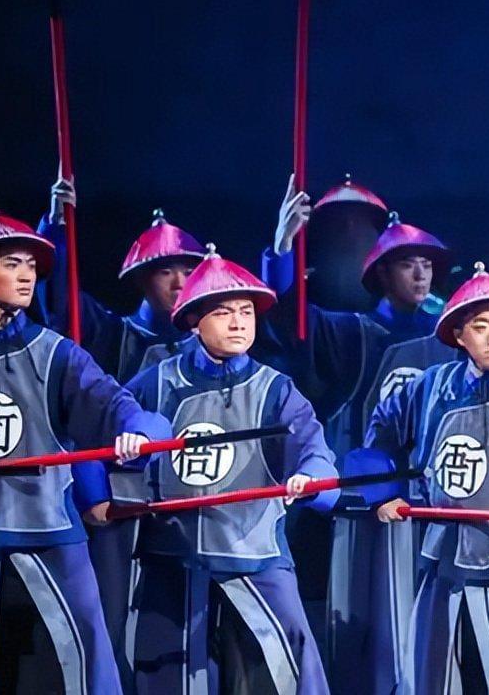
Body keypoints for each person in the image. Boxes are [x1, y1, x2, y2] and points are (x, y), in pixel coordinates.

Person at [0, 205, 167, 693]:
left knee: (88, 652)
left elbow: (115, 405)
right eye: (11, 264)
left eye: (30, 265)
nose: (26, 276)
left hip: (46, 521)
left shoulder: (56, 352)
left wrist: (139, 433)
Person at [266, 178, 456, 694]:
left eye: (427, 264)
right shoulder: (352, 331)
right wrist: (283, 249)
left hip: (430, 500)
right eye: (407, 263)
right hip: (363, 503)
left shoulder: (449, 336)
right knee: (361, 623)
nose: (421, 273)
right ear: (380, 273)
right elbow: (286, 315)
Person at [127, 245, 338, 695]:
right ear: (193, 321)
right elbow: (121, 424)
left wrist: (312, 479)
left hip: (254, 550)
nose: (239, 323)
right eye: (224, 313)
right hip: (174, 554)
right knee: (166, 671)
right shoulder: (157, 381)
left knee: (293, 659)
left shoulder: (275, 388)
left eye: (246, 312)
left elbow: (315, 451)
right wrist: (132, 440)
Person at [349, 263, 489, 694]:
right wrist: (384, 493)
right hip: (444, 560)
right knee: (435, 677)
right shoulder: (431, 386)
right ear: (460, 336)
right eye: (481, 326)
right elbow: (380, 430)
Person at [40, 179, 207, 688]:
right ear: (140, 278)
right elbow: (59, 295)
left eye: (188, 271)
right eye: (166, 271)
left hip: (182, 497)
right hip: (115, 500)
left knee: (177, 625)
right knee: (110, 614)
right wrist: (57, 229)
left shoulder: (206, 347)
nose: (179, 283)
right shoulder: (109, 332)